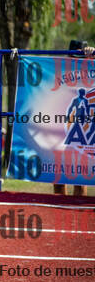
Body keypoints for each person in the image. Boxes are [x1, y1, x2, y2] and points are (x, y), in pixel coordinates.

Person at [53, 43, 94, 197]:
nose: (77, 58)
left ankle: (76, 206)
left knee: (81, 173)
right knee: (58, 173)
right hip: (62, 126)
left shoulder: (90, 69)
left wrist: (92, 55)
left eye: (80, 55)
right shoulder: (60, 70)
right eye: (74, 55)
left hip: (84, 128)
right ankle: (57, 204)